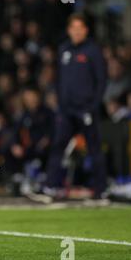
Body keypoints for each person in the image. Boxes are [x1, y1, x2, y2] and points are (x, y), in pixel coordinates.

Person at [45, 13, 107, 199]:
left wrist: (93, 106)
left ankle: (100, 189)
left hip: (86, 109)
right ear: (69, 30)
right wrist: (59, 101)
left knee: (94, 148)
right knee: (58, 146)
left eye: (80, 29)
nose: (77, 32)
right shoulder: (64, 50)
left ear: (86, 31)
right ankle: (51, 186)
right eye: (74, 28)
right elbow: (59, 79)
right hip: (66, 110)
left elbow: (101, 81)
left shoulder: (93, 51)